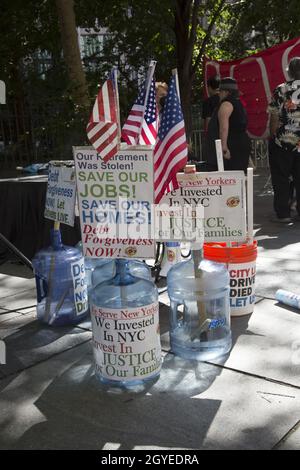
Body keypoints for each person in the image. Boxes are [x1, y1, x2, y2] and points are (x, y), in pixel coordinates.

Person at [268, 57, 300, 223]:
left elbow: (274, 115)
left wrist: (272, 134)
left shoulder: (280, 89)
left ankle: (283, 214)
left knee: (281, 177)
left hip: (284, 140)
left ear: (289, 71)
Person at [206, 77, 251, 172]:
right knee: (239, 176)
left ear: (226, 92)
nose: (219, 94)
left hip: (232, 144)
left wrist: (224, 148)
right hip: (241, 142)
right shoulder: (239, 103)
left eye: (220, 91)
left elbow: (223, 128)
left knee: (230, 176)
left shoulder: (226, 104)